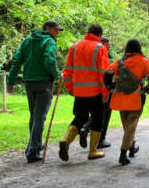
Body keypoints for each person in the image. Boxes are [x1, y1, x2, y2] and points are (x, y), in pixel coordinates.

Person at [7, 20, 63, 163]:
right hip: (44, 84)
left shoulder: (27, 41)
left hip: (29, 84)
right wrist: (58, 74)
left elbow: (17, 60)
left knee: (34, 116)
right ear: (47, 28)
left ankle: (35, 144)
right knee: (39, 118)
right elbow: (49, 61)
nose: (57, 33)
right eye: (55, 30)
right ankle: (32, 151)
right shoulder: (49, 42)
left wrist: (11, 82)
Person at [58, 23, 110, 161]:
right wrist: (105, 93)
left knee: (79, 118)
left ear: (88, 32)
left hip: (79, 91)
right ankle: (93, 151)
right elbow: (103, 73)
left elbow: (67, 70)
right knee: (98, 118)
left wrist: (69, 87)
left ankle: (66, 141)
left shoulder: (74, 47)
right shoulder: (100, 48)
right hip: (95, 92)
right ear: (99, 35)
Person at [105, 39, 149, 165]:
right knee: (131, 126)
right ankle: (123, 153)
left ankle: (132, 148)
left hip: (121, 98)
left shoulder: (119, 61)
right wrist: (147, 89)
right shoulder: (143, 61)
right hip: (136, 99)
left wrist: (111, 86)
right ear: (139, 48)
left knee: (127, 126)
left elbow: (107, 74)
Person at [80, 36, 113, 149]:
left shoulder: (101, 55)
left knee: (97, 115)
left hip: (88, 90)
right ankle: (99, 141)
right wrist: (105, 92)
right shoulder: (100, 54)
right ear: (101, 43)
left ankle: (85, 128)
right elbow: (102, 75)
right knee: (102, 116)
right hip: (100, 90)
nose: (108, 47)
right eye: (106, 44)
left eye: (109, 45)